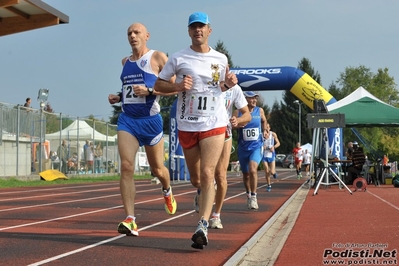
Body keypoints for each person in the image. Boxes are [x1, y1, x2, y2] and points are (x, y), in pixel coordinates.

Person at [154, 12, 238, 248]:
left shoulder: (221, 58)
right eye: (193, 27)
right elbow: (158, 84)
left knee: (209, 173)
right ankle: (201, 195)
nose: (197, 30)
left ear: (209, 30)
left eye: (201, 27)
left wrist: (228, 84)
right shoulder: (179, 58)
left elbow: (220, 87)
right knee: (196, 179)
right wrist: (178, 86)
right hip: (188, 123)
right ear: (188, 31)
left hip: (214, 122)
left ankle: (203, 224)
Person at [108, 22, 177, 237]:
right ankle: (130, 219)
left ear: (147, 35)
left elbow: (174, 88)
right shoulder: (125, 62)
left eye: (136, 32)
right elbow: (128, 91)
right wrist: (118, 97)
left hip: (150, 121)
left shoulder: (157, 58)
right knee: (127, 166)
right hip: (127, 120)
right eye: (129, 33)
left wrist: (149, 90)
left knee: (158, 170)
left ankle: (167, 190)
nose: (132, 35)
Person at [193, 84, 250, 230]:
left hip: (224, 133)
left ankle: (216, 216)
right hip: (204, 131)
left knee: (220, 176)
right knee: (201, 177)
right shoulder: (206, 81)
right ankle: (201, 189)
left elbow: (247, 114)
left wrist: (238, 120)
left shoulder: (234, 89)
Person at [233, 91, 267, 210]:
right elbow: (232, 125)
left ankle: (254, 196)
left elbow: (264, 120)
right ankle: (248, 194)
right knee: (246, 174)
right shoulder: (238, 112)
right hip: (243, 148)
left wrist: (265, 130)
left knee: (253, 169)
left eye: (255, 99)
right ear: (245, 99)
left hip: (256, 146)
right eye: (251, 98)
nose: (254, 101)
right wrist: (238, 124)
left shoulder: (260, 111)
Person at [262, 123, 280, 192]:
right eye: (265, 128)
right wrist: (262, 147)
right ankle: (269, 185)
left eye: (267, 128)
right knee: (266, 171)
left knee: (272, 171)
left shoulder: (273, 134)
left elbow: (278, 143)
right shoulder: (261, 135)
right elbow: (258, 144)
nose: (266, 129)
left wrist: (274, 147)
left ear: (269, 128)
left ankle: (274, 173)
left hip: (271, 154)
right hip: (264, 155)